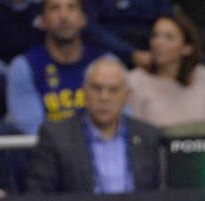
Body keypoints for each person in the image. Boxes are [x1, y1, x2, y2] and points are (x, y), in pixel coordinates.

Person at [25, 56, 162, 193]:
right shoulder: (56, 136)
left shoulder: (148, 136)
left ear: (127, 96)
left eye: (113, 90)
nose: (104, 97)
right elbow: (38, 195)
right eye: (97, 88)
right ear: (84, 92)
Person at [6, 0, 105, 134]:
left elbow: (118, 122)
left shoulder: (105, 64)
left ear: (83, 18)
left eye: (71, 7)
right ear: (42, 20)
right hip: (46, 152)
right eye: (54, 8)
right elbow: (33, 131)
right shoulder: (24, 67)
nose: (63, 16)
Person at [125, 10, 205, 129]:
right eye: (155, 36)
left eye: (169, 37)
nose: (159, 43)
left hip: (203, 147)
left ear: (187, 48)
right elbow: (135, 136)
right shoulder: (136, 81)